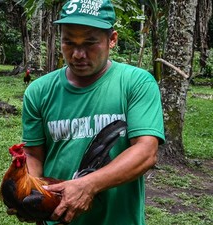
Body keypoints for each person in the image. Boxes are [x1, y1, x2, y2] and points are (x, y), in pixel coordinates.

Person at [18, 0, 165, 224]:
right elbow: (33, 153)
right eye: (68, 42)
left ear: (112, 40)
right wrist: (31, 193)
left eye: (90, 43)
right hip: (57, 218)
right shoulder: (39, 91)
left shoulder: (136, 83)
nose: (77, 54)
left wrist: (88, 185)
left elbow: (146, 151)